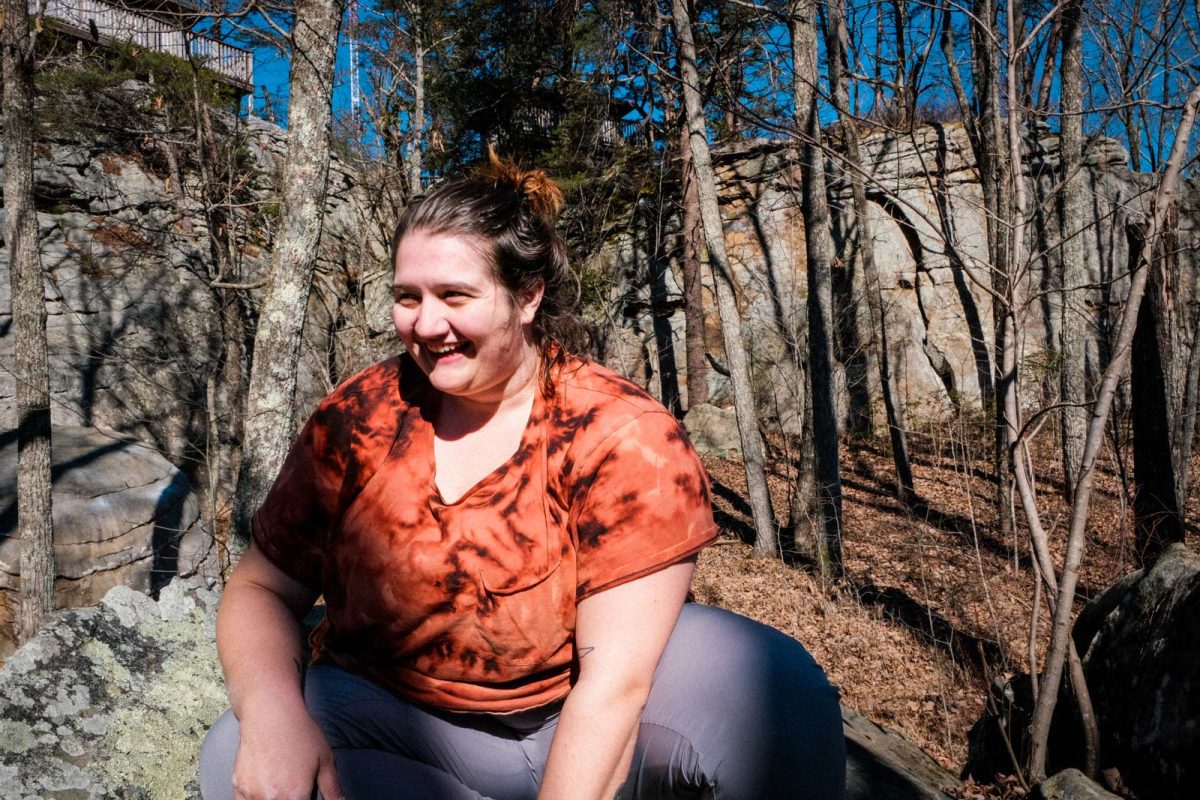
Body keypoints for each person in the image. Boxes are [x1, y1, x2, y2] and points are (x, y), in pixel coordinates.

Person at [198, 153, 846, 800]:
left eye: (455, 295)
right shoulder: (358, 419)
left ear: (527, 297)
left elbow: (615, 682)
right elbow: (259, 590)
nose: (426, 324)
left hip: (578, 710)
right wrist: (275, 716)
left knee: (777, 686)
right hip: (395, 723)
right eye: (407, 297)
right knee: (236, 752)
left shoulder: (617, 431)